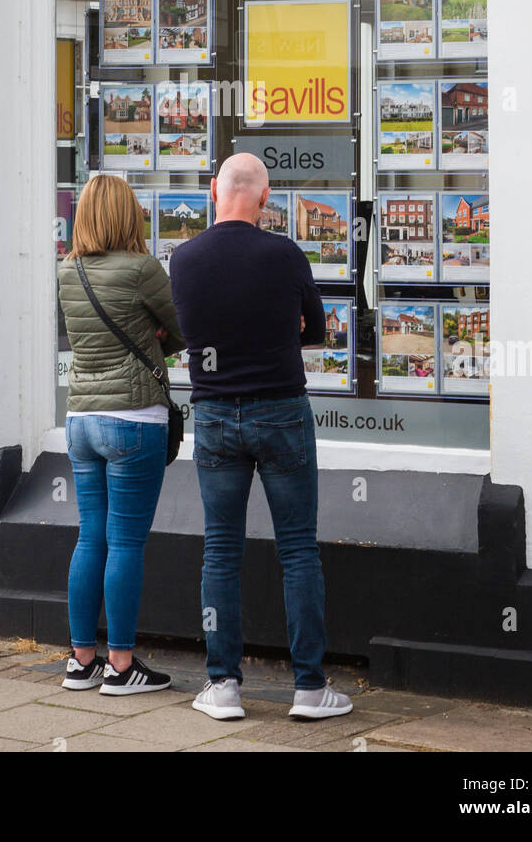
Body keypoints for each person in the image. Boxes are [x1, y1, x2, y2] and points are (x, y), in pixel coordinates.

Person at [169, 153, 353, 722]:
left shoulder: (184, 258)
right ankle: (309, 688)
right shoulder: (284, 253)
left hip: (216, 416)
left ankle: (223, 686)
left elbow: (185, 332)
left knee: (220, 550)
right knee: (298, 549)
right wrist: (283, 326)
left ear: (212, 192)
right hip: (281, 412)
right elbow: (318, 330)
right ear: (266, 200)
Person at [57, 173, 185, 695]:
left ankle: (80, 660)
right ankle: (121, 664)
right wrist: (157, 334)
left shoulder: (67, 270)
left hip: (81, 419)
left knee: (91, 536)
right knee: (126, 542)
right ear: (128, 215)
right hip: (133, 418)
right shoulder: (142, 269)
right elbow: (182, 331)